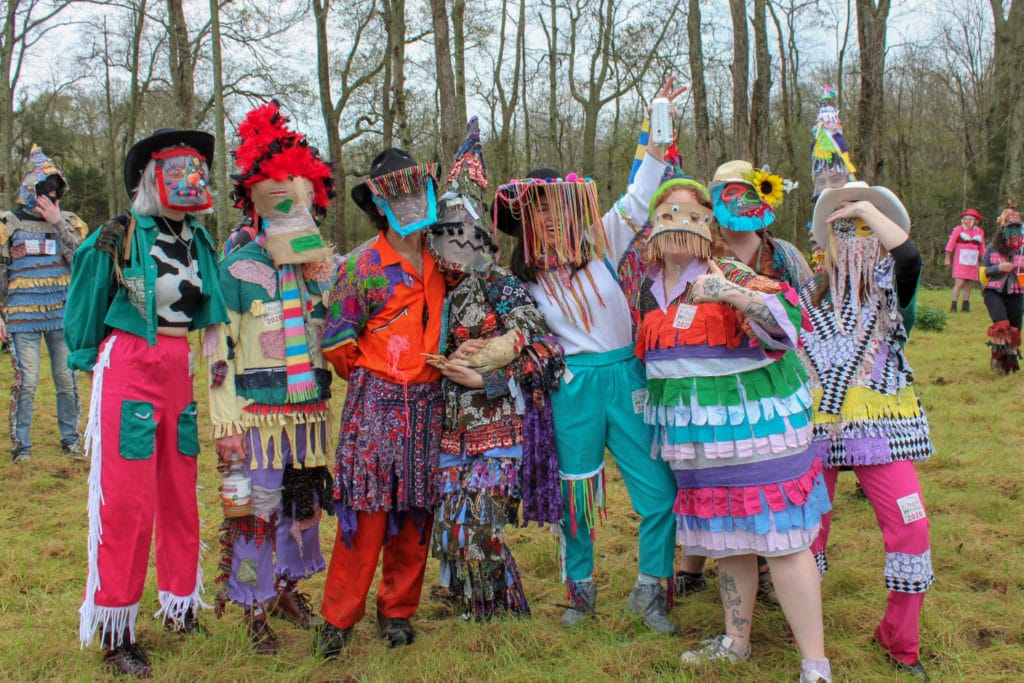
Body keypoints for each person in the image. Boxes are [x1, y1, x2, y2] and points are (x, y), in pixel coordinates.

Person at [493, 79, 684, 634]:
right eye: (537, 211)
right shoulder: (519, 283)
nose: (549, 218)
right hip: (570, 389)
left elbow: (642, 191)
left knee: (658, 490)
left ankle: (652, 590)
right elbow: (512, 341)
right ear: (525, 223)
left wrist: (660, 116)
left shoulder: (602, 239)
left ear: (573, 208)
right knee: (577, 495)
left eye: (556, 206)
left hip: (627, 377)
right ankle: (580, 593)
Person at [635, 178, 831, 683]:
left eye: (690, 214)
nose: (677, 224)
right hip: (697, 446)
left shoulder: (729, 271)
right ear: (652, 229)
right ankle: (735, 641)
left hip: (758, 434)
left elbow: (790, 321)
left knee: (783, 542)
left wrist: (727, 292)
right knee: (727, 542)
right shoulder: (647, 288)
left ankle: (815, 664)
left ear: (708, 227)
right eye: (666, 214)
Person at [65, 128, 229, 679]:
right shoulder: (122, 232)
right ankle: (117, 628)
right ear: (152, 180)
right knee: (129, 501)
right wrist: (87, 355)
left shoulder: (199, 239)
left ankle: (180, 603)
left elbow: (215, 298)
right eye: (179, 170)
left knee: (180, 492)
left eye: (197, 171)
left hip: (177, 366)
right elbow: (88, 288)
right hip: (131, 363)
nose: (191, 179)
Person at [206, 101, 337, 652]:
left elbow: (329, 339)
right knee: (256, 512)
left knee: (298, 508)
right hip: (255, 419)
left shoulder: (318, 272)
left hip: (305, 419)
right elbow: (217, 350)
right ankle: (253, 607)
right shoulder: (237, 270)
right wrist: (225, 422)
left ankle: (285, 588)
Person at [424, 118, 565, 620]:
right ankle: (475, 605)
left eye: (464, 230)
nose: (455, 241)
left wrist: (487, 370)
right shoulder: (430, 289)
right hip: (447, 429)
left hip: (496, 425)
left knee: (482, 522)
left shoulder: (499, 282)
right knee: (453, 525)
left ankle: (502, 611)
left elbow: (538, 343)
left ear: (478, 234)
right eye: (447, 231)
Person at [799, 182, 934, 680]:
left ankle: (900, 640)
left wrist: (863, 208)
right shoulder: (808, 293)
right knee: (808, 532)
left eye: (864, 225)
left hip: (883, 431)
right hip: (816, 430)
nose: (854, 232)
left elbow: (910, 256)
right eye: (842, 227)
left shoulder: (894, 289)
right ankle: (804, 628)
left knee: (911, 525)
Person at [316, 148, 445, 655]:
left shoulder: (444, 260)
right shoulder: (365, 266)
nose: (412, 202)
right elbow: (336, 342)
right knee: (365, 516)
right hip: (375, 404)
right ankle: (338, 617)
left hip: (430, 403)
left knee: (416, 514)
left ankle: (397, 610)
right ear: (380, 204)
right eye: (400, 194)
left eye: (419, 191)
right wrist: (379, 378)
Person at [0, 144, 87, 463]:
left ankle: (70, 439)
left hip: (61, 314)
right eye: (44, 191)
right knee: (28, 381)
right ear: (29, 191)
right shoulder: (8, 224)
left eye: (56, 192)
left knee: (66, 379)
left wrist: (58, 222)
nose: (51, 198)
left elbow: (82, 260)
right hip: (21, 316)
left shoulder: (69, 222)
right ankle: (21, 446)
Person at [980, 202, 1024, 373]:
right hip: (993, 292)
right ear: (1003, 228)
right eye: (1010, 226)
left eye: (1017, 226)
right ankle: (997, 360)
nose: (1014, 230)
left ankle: (1011, 362)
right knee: (1001, 325)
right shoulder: (992, 248)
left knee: (1014, 329)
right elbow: (982, 272)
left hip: (1016, 292)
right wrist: (998, 268)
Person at [945, 209, 984, 312]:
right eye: (966, 218)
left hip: (973, 259)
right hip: (960, 258)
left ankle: (965, 305)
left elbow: (982, 247)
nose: (968, 220)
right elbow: (951, 243)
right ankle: (954, 305)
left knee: (969, 283)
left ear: (975, 220)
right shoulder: (958, 229)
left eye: (971, 218)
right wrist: (947, 258)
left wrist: (983, 260)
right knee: (959, 282)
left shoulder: (979, 231)